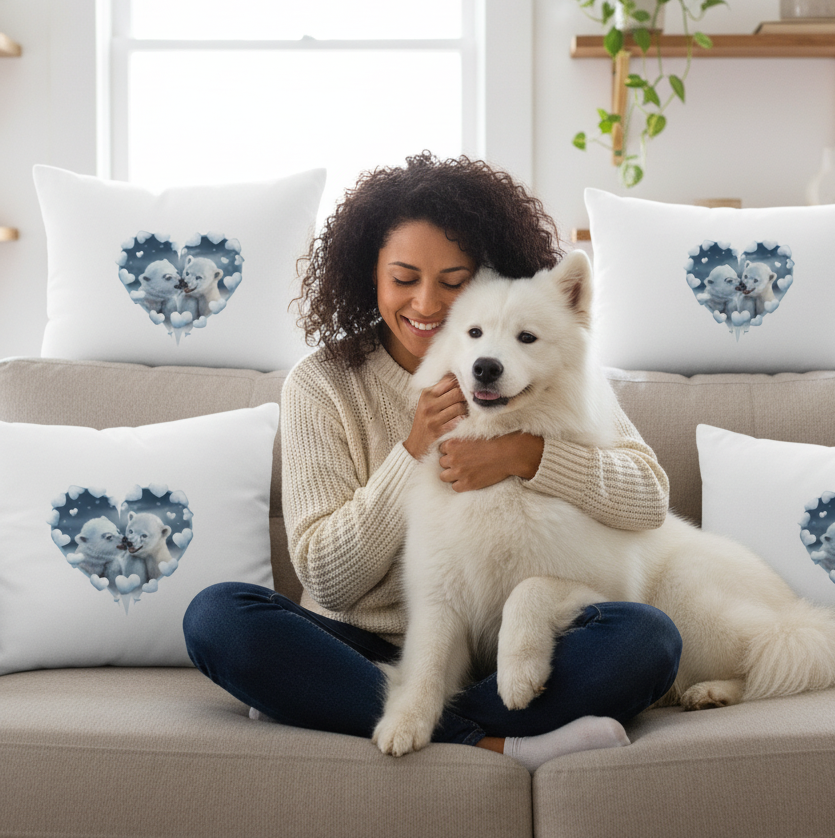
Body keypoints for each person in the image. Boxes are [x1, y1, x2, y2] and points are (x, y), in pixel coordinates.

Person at [183, 153, 682, 771]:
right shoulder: (323, 384)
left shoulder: (542, 364)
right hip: (358, 645)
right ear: (368, 275)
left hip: (505, 644)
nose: (428, 303)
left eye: (453, 281)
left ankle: (331, 707)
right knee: (219, 619)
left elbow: (648, 497)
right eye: (404, 277)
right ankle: (495, 739)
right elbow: (327, 575)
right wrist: (413, 447)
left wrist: (527, 455)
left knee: (648, 640)